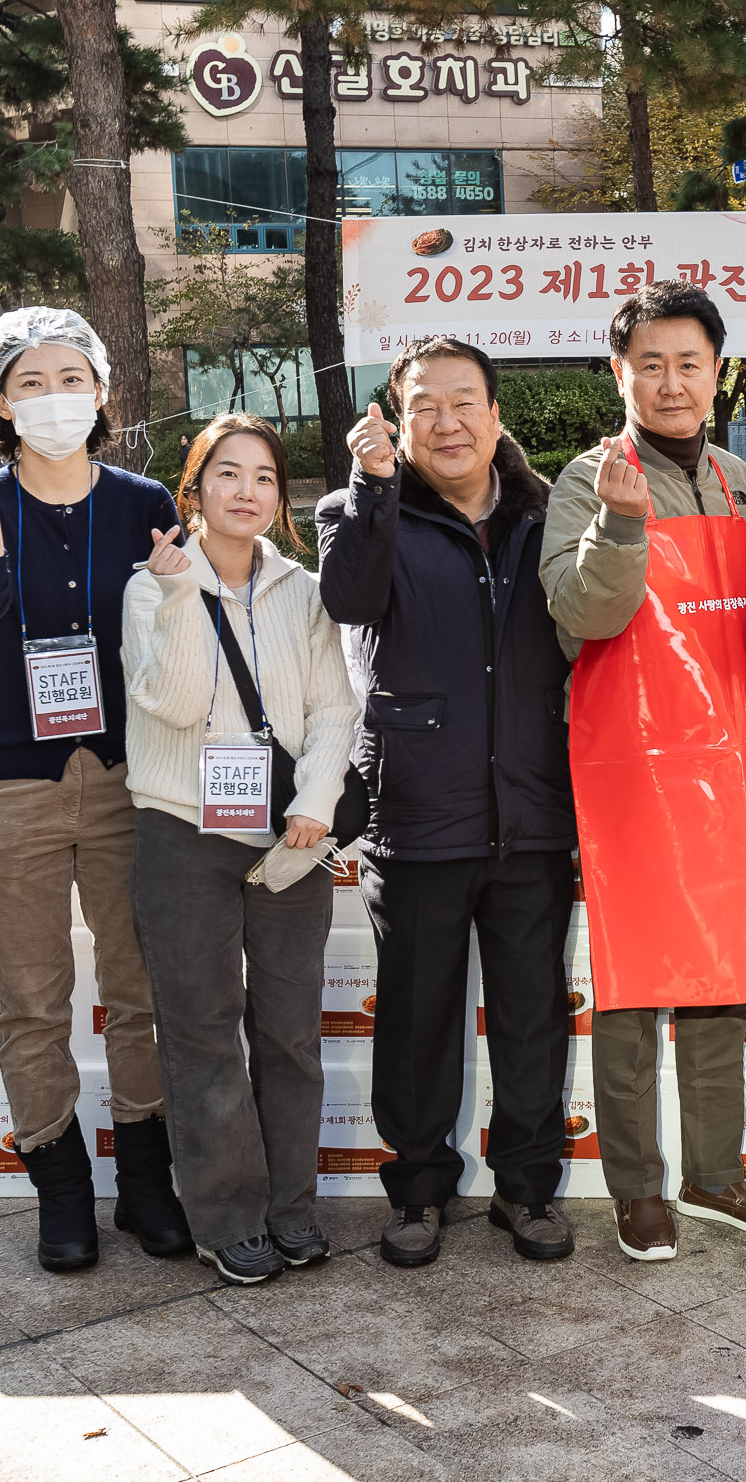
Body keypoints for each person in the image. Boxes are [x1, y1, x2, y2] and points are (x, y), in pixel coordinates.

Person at [541, 281, 746, 1260]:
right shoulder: (587, 477)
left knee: (718, 973)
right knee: (632, 980)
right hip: (628, 766)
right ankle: (637, 1187)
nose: (670, 381)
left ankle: (714, 1171)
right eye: (648, 363)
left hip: (727, 760)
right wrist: (617, 526)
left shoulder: (739, 481)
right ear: (620, 374)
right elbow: (583, 616)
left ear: (714, 371)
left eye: (687, 362)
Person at [0, 307, 191, 1273]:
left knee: (141, 989)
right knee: (32, 995)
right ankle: (63, 1187)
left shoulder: (141, 497)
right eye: (29, 384)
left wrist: (173, 591)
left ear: (103, 389)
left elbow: (178, 636)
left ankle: (149, 1182)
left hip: (131, 774)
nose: (54, 399)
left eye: (70, 378)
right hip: (13, 781)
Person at [317, 337, 579, 1268]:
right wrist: (377, 488)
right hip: (417, 813)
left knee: (530, 1014)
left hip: (535, 810)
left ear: (497, 414)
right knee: (418, 1019)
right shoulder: (355, 508)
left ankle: (526, 1189)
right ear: (396, 416)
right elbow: (349, 600)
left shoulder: (551, 514)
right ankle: (418, 1189)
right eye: (424, 403)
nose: (447, 420)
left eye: (465, 400)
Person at [120, 413, 358, 1285]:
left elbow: (335, 708)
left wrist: (315, 803)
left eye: (264, 476)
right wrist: (180, 593)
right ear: (196, 488)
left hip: (290, 833)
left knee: (290, 1032)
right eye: (228, 473)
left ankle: (293, 1206)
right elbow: (176, 706)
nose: (247, 491)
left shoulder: (303, 588)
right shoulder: (151, 588)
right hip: (182, 832)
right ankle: (227, 1215)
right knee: (202, 1031)